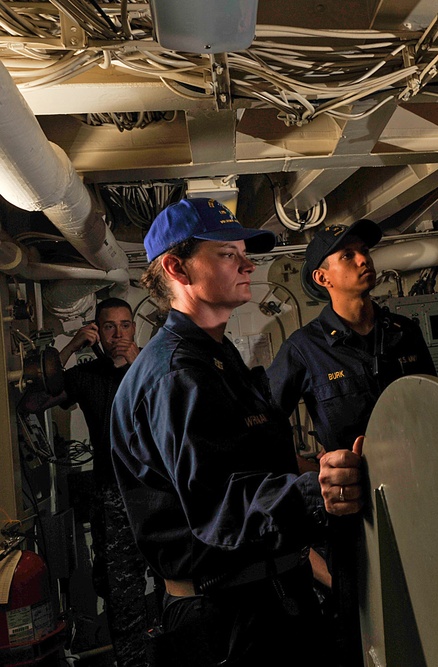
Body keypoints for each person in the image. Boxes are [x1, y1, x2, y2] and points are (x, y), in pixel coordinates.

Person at [110, 198, 362, 666]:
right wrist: (319, 491)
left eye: (244, 252)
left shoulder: (219, 360)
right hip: (227, 616)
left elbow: (263, 464)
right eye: (228, 254)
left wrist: (326, 468)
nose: (248, 264)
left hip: (272, 592)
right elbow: (220, 506)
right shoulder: (176, 375)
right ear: (176, 268)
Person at [267, 219, 436, 665]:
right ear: (322, 278)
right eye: (348, 255)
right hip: (353, 514)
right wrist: (308, 471)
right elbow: (264, 427)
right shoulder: (304, 348)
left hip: (421, 498)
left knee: (433, 607)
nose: (363, 260)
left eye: (364, 251)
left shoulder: (404, 331)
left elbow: (434, 407)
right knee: (363, 622)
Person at [20, 298, 149, 667]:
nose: (119, 334)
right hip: (114, 494)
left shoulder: (151, 367)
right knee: (120, 590)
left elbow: (178, 397)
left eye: (125, 325)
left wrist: (137, 361)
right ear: (97, 332)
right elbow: (31, 402)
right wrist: (72, 346)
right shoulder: (88, 374)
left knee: (178, 577)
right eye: (109, 326)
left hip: (159, 494)